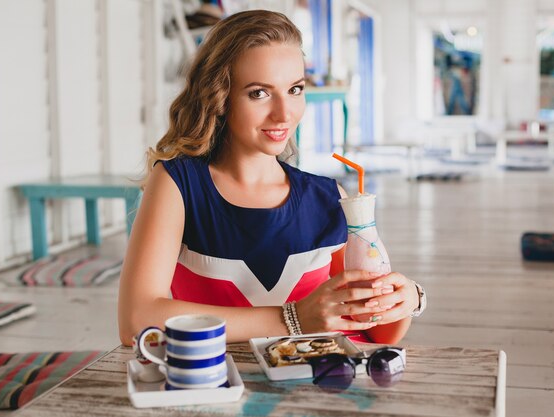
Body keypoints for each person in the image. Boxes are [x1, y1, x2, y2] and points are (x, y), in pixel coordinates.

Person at [118, 10, 424, 346]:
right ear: (219, 96)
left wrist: (404, 300)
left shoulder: (328, 197)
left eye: (295, 89)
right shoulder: (179, 185)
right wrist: (291, 319)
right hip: (215, 385)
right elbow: (137, 320)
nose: (284, 113)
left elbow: (374, 330)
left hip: (319, 387)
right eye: (259, 93)